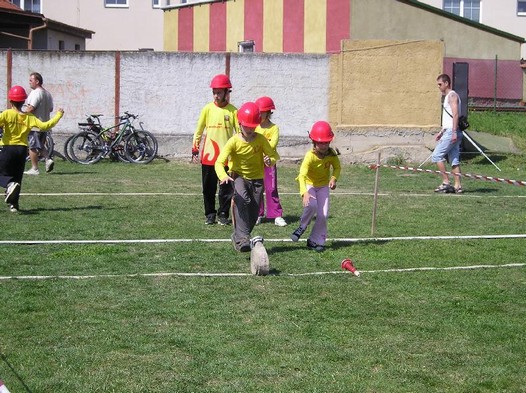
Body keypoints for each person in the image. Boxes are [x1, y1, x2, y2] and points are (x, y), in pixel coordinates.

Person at [215, 102, 279, 252]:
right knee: (243, 199)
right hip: (238, 177)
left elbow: (273, 155)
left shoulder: (261, 139)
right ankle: (243, 239)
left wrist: (270, 161)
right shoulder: (234, 141)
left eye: (253, 126)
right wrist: (223, 175)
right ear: (239, 123)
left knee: (254, 211)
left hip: (257, 179)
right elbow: (219, 162)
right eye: (246, 126)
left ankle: (239, 237)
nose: (250, 129)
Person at [0, 86, 64, 212]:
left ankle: (9, 185)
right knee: (18, 177)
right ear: (23, 101)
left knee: (4, 174)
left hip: (8, 148)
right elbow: (45, 125)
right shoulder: (29, 117)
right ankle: (14, 205)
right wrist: (58, 115)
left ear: (10, 101)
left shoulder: (6, 114)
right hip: (22, 150)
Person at [192, 74, 238, 225]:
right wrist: (195, 148)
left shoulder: (233, 111)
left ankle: (223, 214)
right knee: (208, 188)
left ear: (226, 92)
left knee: (226, 189)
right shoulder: (207, 109)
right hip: (209, 156)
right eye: (214, 92)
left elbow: (238, 134)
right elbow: (199, 130)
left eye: (219, 92)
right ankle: (210, 214)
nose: (216, 95)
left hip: (226, 158)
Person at [290, 121, 341, 252]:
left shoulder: (332, 155)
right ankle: (302, 226)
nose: (323, 145)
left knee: (323, 214)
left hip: (323, 186)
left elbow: (337, 167)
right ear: (314, 141)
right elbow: (302, 175)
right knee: (311, 205)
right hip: (309, 184)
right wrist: (304, 193)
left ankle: (315, 240)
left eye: (326, 142)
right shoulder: (310, 156)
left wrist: (334, 178)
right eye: (320, 142)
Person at [254, 96, 287, 227]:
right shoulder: (255, 127)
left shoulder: (274, 128)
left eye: (262, 112)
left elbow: (272, 145)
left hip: (270, 162)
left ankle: (276, 215)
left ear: (269, 112)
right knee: (257, 189)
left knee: (271, 188)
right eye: (259, 112)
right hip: (256, 162)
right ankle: (258, 214)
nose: (260, 114)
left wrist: (266, 156)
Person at [432, 73, 463, 194]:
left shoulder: (452, 96)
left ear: (446, 83)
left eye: (440, 84)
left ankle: (446, 182)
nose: (438, 87)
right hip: (449, 130)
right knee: (454, 159)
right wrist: (441, 132)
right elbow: (448, 118)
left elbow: (455, 114)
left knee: (436, 156)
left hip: (452, 131)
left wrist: (453, 132)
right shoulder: (448, 97)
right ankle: (458, 186)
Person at [24, 72, 55, 175]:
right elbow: (50, 109)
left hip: (35, 125)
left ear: (37, 81)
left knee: (32, 146)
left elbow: (31, 108)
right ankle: (47, 159)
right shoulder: (47, 93)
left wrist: (20, 113)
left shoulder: (36, 92)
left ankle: (34, 168)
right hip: (44, 124)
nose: (29, 83)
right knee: (40, 145)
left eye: (31, 80)